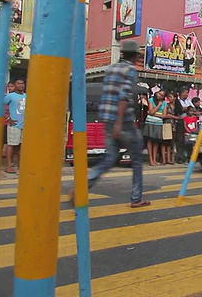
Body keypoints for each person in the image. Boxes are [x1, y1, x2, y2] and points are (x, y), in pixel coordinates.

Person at [68, 40, 150, 208]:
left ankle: (82, 186)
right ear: (134, 56)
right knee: (136, 159)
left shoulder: (111, 69)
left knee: (110, 158)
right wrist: (119, 123)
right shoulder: (130, 70)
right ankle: (136, 198)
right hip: (123, 121)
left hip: (106, 118)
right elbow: (123, 96)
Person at [3, 78, 26, 174]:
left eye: (22, 83)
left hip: (24, 125)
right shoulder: (10, 96)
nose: (21, 85)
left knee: (22, 146)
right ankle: (8, 166)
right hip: (14, 124)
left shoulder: (26, 96)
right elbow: (0, 106)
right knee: (11, 145)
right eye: (18, 83)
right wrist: (8, 119)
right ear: (15, 85)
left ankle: (21, 167)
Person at [143, 90, 168, 166]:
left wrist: (154, 114)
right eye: (159, 94)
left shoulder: (164, 103)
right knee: (150, 140)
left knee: (156, 141)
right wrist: (158, 106)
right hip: (150, 122)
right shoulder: (151, 100)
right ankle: (150, 159)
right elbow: (151, 111)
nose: (159, 96)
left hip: (159, 123)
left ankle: (154, 159)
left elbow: (164, 115)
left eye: (162, 95)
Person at [174, 87, 193, 164]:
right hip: (181, 122)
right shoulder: (177, 101)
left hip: (189, 121)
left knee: (188, 141)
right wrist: (186, 109)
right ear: (181, 93)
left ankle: (188, 157)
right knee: (180, 140)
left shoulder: (188, 101)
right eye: (185, 92)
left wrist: (187, 109)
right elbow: (179, 110)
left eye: (188, 92)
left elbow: (192, 108)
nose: (187, 94)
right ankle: (180, 157)